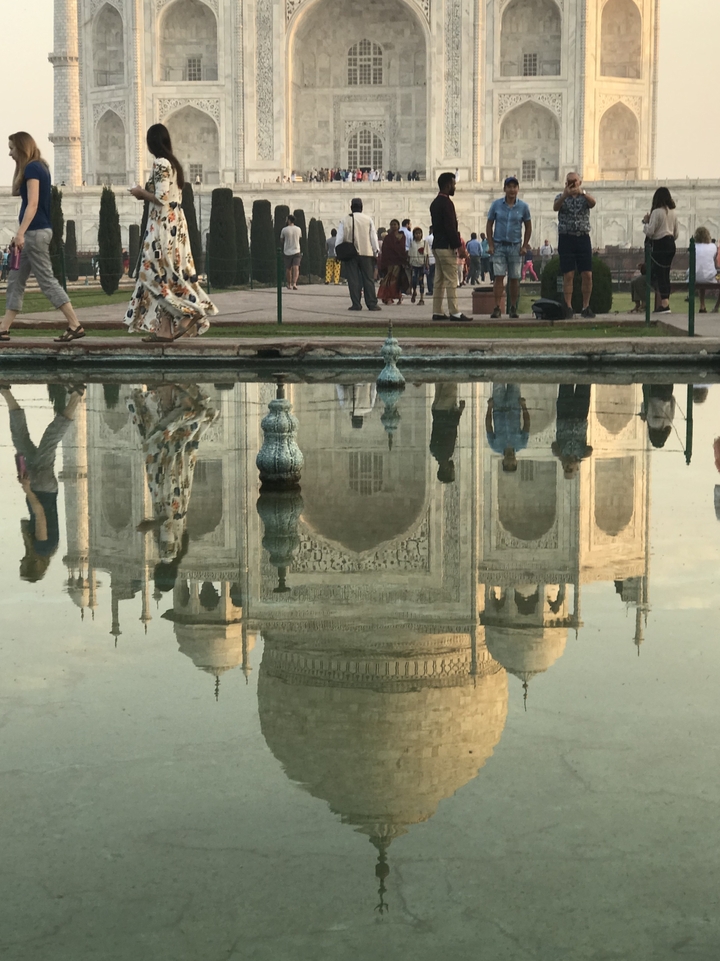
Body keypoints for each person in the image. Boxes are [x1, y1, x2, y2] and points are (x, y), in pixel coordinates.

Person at [125, 124, 216, 342]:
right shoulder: (173, 164)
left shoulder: (161, 163)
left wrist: (140, 193)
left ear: (152, 143)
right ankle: (164, 330)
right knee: (165, 277)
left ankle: (191, 311)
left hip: (163, 227)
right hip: (174, 225)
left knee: (150, 274)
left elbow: (162, 197)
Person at [129, 383, 219, 588]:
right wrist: (148, 526)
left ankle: (181, 404)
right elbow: (167, 522)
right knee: (158, 444)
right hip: (167, 493)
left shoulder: (179, 551)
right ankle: (187, 408)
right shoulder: (167, 553)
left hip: (177, 493)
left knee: (172, 447)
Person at [0, 132, 85, 343]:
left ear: (21, 148)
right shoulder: (36, 167)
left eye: (12, 149)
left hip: (34, 233)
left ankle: (75, 324)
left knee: (47, 281)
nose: (9, 153)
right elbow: (15, 191)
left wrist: (20, 233)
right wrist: (18, 165)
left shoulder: (33, 168)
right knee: (15, 281)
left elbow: (33, 203)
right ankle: (3, 328)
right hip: (32, 233)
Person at [1, 383, 84, 580]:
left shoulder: (48, 549)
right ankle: (76, 396)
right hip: (41, 488)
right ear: (34, 565)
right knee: (49, 439)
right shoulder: (42, 547)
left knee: (22, 440)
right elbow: (40, 514)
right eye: (24, 564)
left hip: (44, 488)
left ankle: (5, 392)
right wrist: (27, 489)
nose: (21, 560)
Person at [486, 176, 532, 319]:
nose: (512, 190)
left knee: (514, 278)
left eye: (514, 187)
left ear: (518, 189)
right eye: (509, 187)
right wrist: (491, 244)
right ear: (504, 189)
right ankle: (497, 307)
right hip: (499, 245)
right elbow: (489, 224)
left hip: (515, 246)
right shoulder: (496, 205)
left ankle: (513, 307)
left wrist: (524, 246)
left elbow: (528, 227)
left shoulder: (523, 207)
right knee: (499, 277)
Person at [429, 171, 472, 322]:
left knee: (439, 280)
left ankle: (437, 311)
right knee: (451, 279)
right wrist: (459, 247)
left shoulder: (435, 203)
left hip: (437, 245)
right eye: (453, 184)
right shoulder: (447, 203)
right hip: (446, 246)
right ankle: (454, 312)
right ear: (448, 185)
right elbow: (450, 228)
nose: (454, 187)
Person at [553, 172, 597, 319]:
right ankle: (568, 306)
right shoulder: (561, 197)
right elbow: (555, 207)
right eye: (569, 181)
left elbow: (593, 203)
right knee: (568, 274)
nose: (572, 183)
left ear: (580, 182)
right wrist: (565, 195)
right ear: (566, 183)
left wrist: (582, 192)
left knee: (587, 274)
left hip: (583, 237)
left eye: (575, 181)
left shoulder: (585, 197)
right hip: (566, 237)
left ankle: (586, 306)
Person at [336, 197, 381, 311]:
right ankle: (372, 304)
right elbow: (373, 237)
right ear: (362, 207)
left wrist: (338, 252)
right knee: (368, 279)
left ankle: (356, 304)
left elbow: (339, 238)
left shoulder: (345, 220)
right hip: (366, 252)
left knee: (353, 279)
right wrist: (376, 251)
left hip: (350, 254)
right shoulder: (368, 219)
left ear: (351, 207)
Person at [643, 187, 678, 313]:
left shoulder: (656, 212)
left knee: (660, 274)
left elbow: (650, 232)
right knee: (665, 273)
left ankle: (664, 305)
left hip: (660, 244)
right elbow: (676, 234)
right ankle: (665, 302)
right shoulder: (673, 212)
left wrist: (645, 222)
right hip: (671, 244)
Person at [485, 384, 530, 472]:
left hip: (498, 407)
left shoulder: (495, 446)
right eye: (513, 464)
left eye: (507, 464)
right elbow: (527, 425)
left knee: (498, 382)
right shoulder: (522, 443)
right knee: (514, 382)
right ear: (516, 462)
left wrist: (489, 408)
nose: (510, 461)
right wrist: (524, 406)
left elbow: (488, 427)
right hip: (514, 406)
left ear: (503, 462)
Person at [552, 384, 593, 478]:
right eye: (570, 470)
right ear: (576, 469)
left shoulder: (560, 453)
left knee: (566, 385)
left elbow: (553, 446)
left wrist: (562, 459)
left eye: (566, 469)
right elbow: (590, 450)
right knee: (584, 386)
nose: (568, 467)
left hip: (564, 416)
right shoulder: (581, 454)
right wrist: (578, 460)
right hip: (580, 417)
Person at [430, 383, 465, 483]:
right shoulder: (434, 451)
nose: (454, 469)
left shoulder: (447, 452)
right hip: (436, 411)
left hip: (446, 410)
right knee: (440, 381)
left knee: (450, 381)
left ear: (446, 470)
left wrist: (460, 411)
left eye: (452, 471)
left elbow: (450, 427)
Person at [378, 219, 409, 304]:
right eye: (392, 224)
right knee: (388, 280)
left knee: (397, 280)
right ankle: (388, 296)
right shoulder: (388, 238)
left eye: (395, 224)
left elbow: (402, 248)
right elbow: (385, 250)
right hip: (390, 262)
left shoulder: (403, 237)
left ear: (398, 226)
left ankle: (398, 296)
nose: (393, 226)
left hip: (399, 262)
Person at [692, 226, 718, 312]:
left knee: (701, 277)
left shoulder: (693, 246)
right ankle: (716, 307)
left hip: (694, 276)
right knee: (705, 276)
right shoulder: (713, 246)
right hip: (709, 276)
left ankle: (702, 306)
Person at [279, 214, 303, 290]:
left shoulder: (284, 230)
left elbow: (281, 240)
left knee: (288, 268)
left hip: (287, 251)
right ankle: (294, 283)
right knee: (296, 267)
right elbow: (299, 238)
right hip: (296, 250)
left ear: (289, 220)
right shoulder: (298, 229)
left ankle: (289, 284)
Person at [408, 227, 427, 305]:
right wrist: (409, 263)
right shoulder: (412, 243)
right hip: (414, 264)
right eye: (416, 233)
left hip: (421, 264)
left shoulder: (424, 243)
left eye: (419, 233)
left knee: (421, 282)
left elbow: (427, 254)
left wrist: (426, 263)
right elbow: (409, 254)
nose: (418, 235)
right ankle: (414, 291)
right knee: (414, 280)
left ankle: (421, 299)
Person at [425, 230, 435, 295]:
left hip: (430, 259)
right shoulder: (438, 237)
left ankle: (431, 290)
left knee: (429, 276)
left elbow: (425, 250)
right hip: (436, 259)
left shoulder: (428, 238)